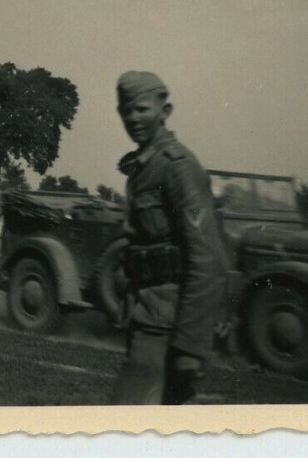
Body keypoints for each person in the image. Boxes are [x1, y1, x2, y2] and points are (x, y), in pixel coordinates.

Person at [109, 72, 226, 405]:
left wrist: (190, 346)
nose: (132, 118)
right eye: (125, 111)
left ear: (165, 111)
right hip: (145, 317)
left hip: (168, 325)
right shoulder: (142, 167)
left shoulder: (177, 167)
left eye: (142, 109)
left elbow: (207, 260)